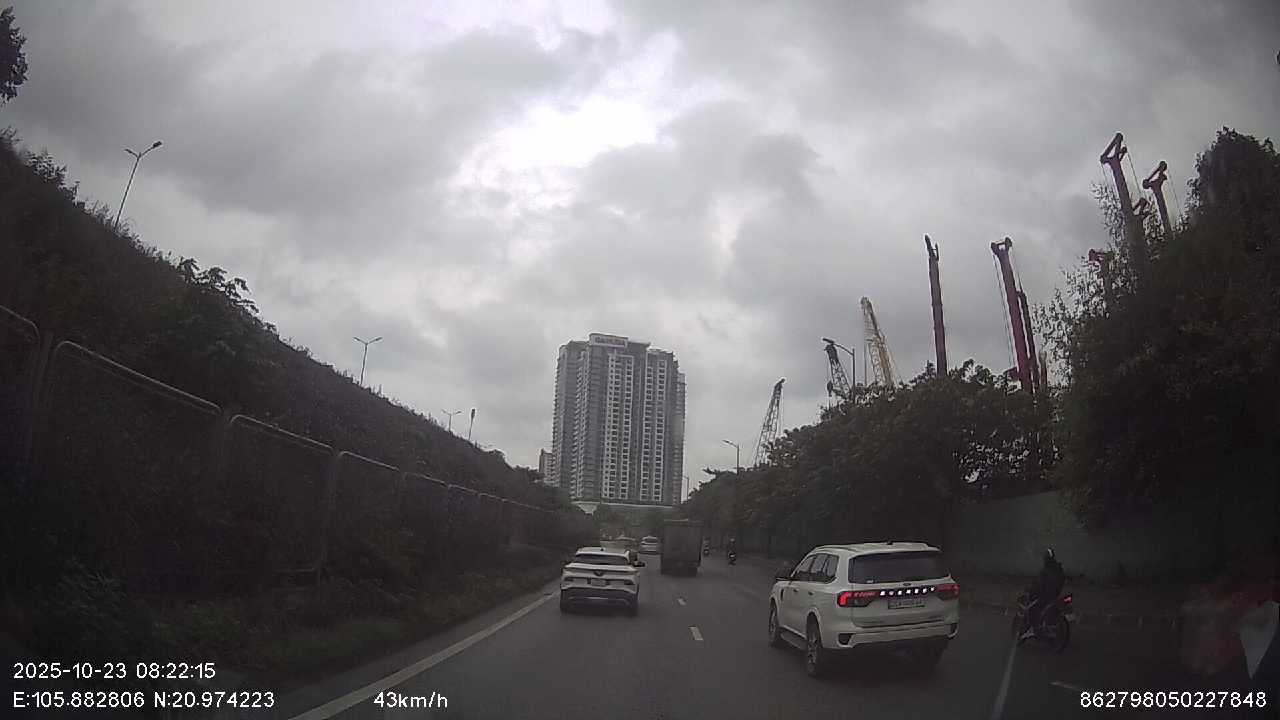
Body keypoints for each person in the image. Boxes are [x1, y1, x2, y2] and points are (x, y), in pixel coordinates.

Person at [1022, 548, 1066, 641]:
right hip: (1055, 594)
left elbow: (1039, 584)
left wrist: (1031, 589)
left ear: (1045, 558)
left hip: (1045, 595)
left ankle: (1036, 628)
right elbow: (1062, 580)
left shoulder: (1046, 570)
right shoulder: (1058, 568)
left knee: (1033, 607)